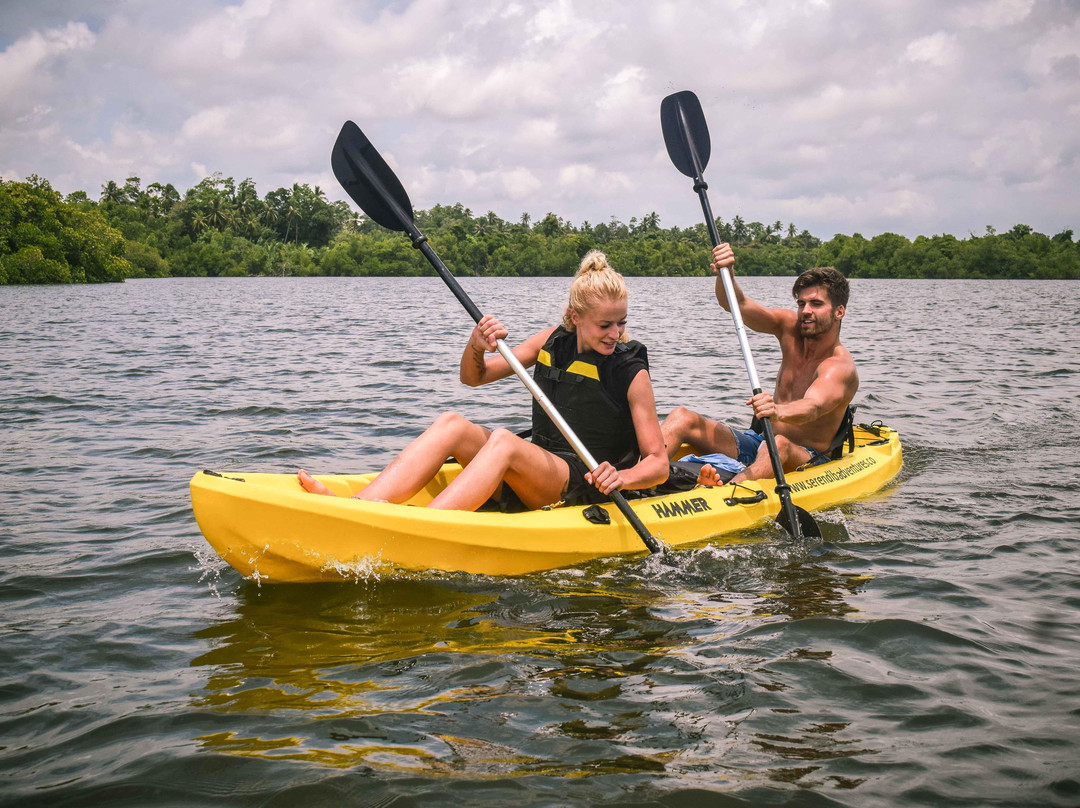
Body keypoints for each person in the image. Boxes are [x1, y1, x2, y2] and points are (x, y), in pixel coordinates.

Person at [298, 250, 668, 510]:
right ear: (574, 317)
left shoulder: (630, 370)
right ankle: (360, 506)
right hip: (539, 466)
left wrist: (623, 478)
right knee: (452, 424)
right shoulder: (550, 342)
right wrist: (476, 345)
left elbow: (658, 463)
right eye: (605, 325)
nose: (615, 333)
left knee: (505, 442)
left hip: (582, 482)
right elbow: (474, 378)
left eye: (621, 322)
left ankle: (429, 525)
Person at [662, 243, 858, 485]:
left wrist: (778, 411)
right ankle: (640, 474)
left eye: (816, 304)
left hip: (806, 457)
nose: (805, 311)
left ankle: (730, 492)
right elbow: (736, 304)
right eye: (801, 303)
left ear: (839, 312)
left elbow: (813, 407)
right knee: (682, 417)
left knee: (780, 444)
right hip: (760, 442)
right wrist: (727, 273)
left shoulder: (839, 366)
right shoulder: (789, 326)